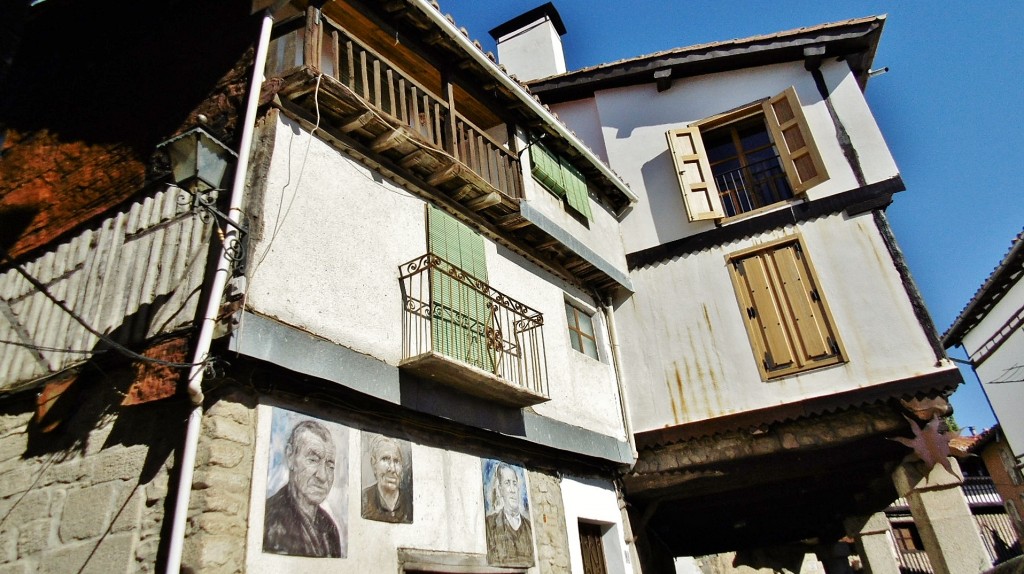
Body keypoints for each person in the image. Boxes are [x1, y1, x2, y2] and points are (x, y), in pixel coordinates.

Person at [263, 420, 342, 558]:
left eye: (330, 466)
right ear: (290, 457)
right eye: (313, 460)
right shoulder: (270, 519)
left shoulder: (330, 528)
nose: (322, 476)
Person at [484, 462, 534, 565]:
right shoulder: (490, 524)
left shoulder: (529, 527)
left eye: (514, 483)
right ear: (500, 489)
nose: (512, 490)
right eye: (507, 483)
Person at [361, 435, 413, 523]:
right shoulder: (364, 499)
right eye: (385, 459)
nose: (392, 469)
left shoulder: (410, 502)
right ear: (374, 464)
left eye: (396, 461)